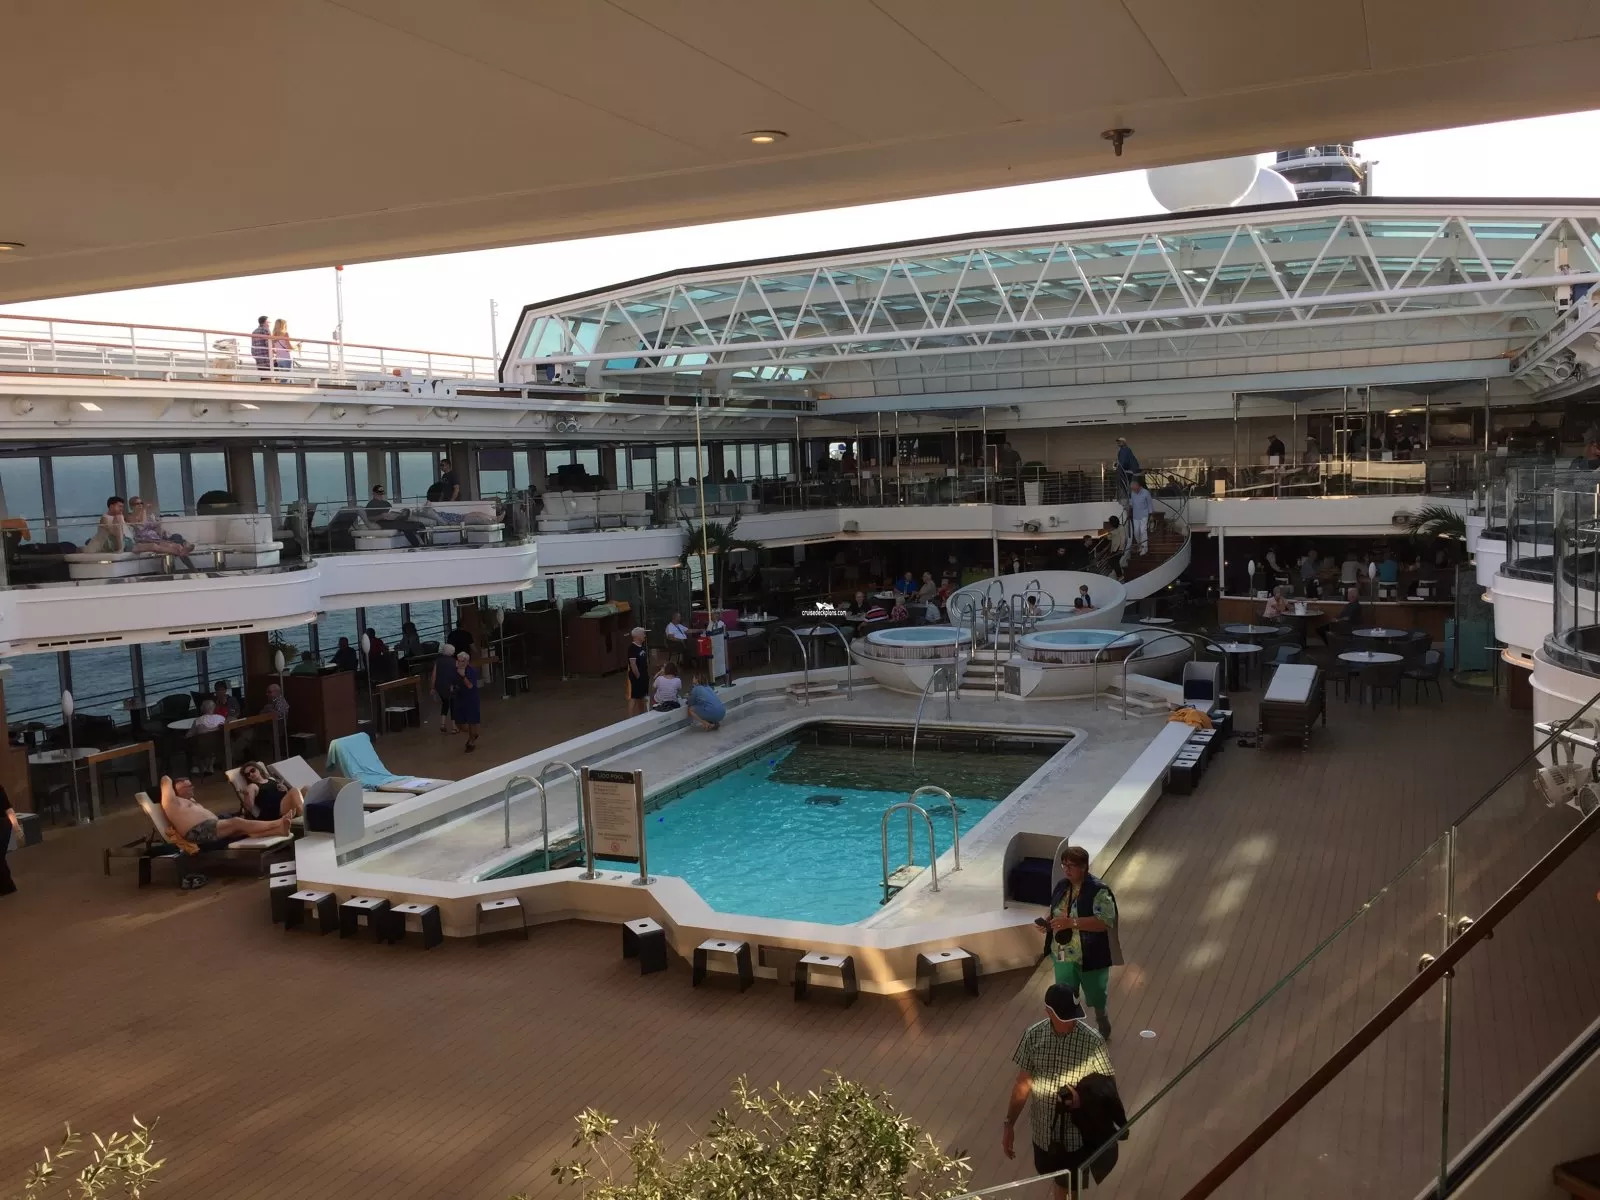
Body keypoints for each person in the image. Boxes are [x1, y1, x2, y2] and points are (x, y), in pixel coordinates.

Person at [1002, 984, 1119, 1198]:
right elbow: (1022, 1084)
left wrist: (1082, 1099)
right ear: (1048, 1012)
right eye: (1065, 1017)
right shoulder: (1033, 1036)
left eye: (1075, 1016)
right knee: (1058, 1179)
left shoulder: (1093, 1041)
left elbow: (1108, 1087)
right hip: (1044, 1132)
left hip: (1078, 1135)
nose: (1072, 1022)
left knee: (1073, 1184)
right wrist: (1009, 1124)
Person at [1039, 844, 1119, 1038]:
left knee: (1096, 993)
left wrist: (1071, 922)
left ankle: (1102, 1021)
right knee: (1065, 995)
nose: (1066, 869)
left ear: (1084, 867)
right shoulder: (1062, 886)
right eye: (1064, 865)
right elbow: (1055, 911)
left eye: (1071, 866)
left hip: (1090, 954)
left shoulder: (1098, 891)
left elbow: (1105, 922)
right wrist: (1048, 923)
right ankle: (1070, 1030)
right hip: (1063, 954)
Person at [158, 774, 290, 848]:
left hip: (211, 826)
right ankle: (277, 823)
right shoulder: (172, 802)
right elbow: (165, 779)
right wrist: (172, 784)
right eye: (186, 787)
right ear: (174, 790)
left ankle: (278, 830)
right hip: (198, 831)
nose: (191, 788)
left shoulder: (189, 800)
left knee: (242, 829)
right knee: (237, 822)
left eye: (190, 785)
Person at [127, 498, 196, 565]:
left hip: (155, 538)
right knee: (172, 547)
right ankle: (182, 552)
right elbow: (142, 525)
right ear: (131, 506)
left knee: (177, 546)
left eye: (141, 503)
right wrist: (144, 510)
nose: (140, 505)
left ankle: (193, 569)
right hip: (145, 540)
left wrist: (158, 525)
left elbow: (152, 526)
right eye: (137, 504)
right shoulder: (130, 517)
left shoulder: (146, 516)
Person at [235, 762, 303, 822]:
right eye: (247, 774)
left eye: (252, 770)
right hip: (273, 811)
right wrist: (246, 794)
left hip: (283, 804)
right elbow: (249, 807)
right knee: (294, 790)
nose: (251, 774)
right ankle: (303, 819)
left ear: (258, 769)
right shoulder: (252, 786)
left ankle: (303, 814)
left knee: (305, 789)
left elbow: (285, 793)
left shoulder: (271, 779)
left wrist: (284, 789)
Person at [452, 651, 481, 753]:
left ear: (467, 662)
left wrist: (463, 676)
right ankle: (473, 733)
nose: (459, 663)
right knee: (459, 723)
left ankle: (471, 741)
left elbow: (470, 686)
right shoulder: (455, 670)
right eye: (458, 660)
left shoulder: (471, 671)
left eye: (462, 661)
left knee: (471, 721)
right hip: (460, 698)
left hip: (471, 698)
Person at [1, 783, 21, 896]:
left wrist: (17, 829)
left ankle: (8, 887)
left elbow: (8, 809)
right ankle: (8, 887)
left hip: (2, 825)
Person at [626, 626, 650, 717]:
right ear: (637, 635)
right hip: (636, 677)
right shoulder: (632, 648)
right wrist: (638, 676)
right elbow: (633, 664)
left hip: (644, 675)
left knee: (642, 697)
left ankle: (642, 716)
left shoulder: (642, 647)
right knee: (634, 697)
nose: (644, 635)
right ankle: (630, 718)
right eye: (643, 634)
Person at [1126, 478, 1152, 558]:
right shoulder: (1133, 493)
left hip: (1144, 515)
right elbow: (1131, 503)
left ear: (1138, 486)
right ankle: (1140, 545)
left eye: (1134, 489)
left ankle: (1145, 548)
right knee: (1136, 532)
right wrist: (1128, 508)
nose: (1133, 490)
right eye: (1132, 489)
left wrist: (1151, 514)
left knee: (1143, 531)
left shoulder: (1146, 493)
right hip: (1135, 515)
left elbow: (1150, 504)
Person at [250, 315, 271, 379]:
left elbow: (253, 345)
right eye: (268, 322)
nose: (269, 324)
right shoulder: (265, 330)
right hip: (266, 358)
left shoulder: (254, 331)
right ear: (265, 322)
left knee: (263, 377)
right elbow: (268, 344)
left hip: (258, 357)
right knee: (272, 377)